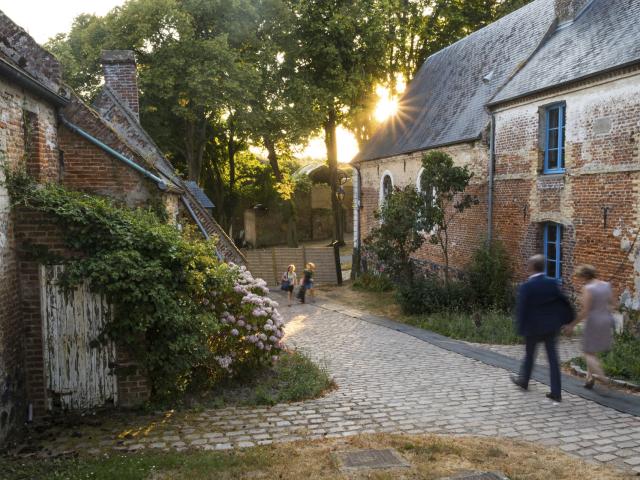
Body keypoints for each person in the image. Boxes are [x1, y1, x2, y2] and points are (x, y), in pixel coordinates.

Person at [511, 254, 574, 402]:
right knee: (553, 360)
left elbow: (522, 309)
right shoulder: (552, 284)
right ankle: (556, 392)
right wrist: (568, 321)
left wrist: (520, 328)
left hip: (532, 329)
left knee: (529, 356)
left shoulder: (526, 286)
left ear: (531, 267)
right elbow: (565, 302)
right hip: (551, 328)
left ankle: (524, 381)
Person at [564, 264, 615, 389]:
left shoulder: (588, 288)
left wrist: (572, 325)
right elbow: (614, 304)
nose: (580, 279)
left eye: (580, 277)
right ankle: (589, 379)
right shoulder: (606, 285)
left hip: (593, 321)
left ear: (585, 276)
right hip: (606, 320)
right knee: (592, 350)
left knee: (587, 352)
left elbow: (585, 311)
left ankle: (602, 378)